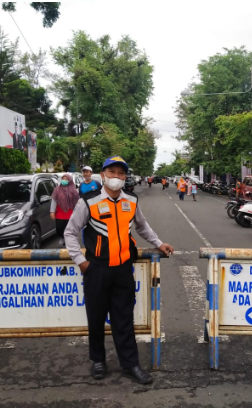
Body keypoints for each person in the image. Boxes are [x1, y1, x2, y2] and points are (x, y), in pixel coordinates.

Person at [64, 156, 174, 385]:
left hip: (123, 270)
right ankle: (98, 360)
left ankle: (130, 364)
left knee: (123, 319)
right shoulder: (88, 201)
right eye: (112, 172)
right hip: (96, 270)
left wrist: (158, 243)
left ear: (125, 177)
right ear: (102, 175)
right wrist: (81, 261)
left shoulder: (131, 200)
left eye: (121, 173)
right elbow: (70, 232)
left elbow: (142, 226)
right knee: (95, 318)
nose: (116, 177)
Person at [51, 174, 79, 246]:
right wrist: (52, 211)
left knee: (69, 228)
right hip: (60, 212)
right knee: (59, 228)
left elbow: (77, 202)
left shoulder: (73, 190)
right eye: (63, 179)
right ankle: (62, 237)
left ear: (69, 180)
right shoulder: (57, 190)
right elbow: (54, 201)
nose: (64, 180)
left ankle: (69, 241)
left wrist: (78, 212)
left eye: (66, 179)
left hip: (70, 212)